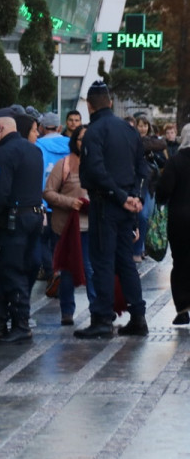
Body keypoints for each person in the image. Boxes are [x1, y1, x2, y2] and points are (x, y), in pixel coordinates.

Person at [74, 81, 149, 339]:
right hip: (126, 205)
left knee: (103, 262)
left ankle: (102, 319)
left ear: (89, 105)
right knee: (125, 261)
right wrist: (134, 196)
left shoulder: (94, 131)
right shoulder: (129, 130)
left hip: (106, 204)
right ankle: (138, 316)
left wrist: (119, 197)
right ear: (110, 102)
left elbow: (95, 171)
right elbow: (143, 168)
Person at [0, 111, 43, 344]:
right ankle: (18, 320)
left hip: (14, 221)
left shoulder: (4, 153)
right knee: (25, 269)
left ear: (0, 128)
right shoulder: (33, 150)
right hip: (34, 216)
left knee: (12, 270)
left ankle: (20, 324)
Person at [44, 125, 94, 326]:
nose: (85, 143)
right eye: (81, 139)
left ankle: (98, 310)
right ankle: (67, 312)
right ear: (75, 141)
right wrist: (69, 202)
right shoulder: (63, 164)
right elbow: (48, 192)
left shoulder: (98, 164)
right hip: (65, 227)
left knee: (91, 269)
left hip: (91, 227)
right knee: (67, 271)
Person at [155, 123, 190, 325]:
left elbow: (163, 190)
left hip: (180, 220)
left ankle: (183, 309)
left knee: (180, 263)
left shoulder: (176, 161)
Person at [36, 112, 71, 286]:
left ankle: (51, 273)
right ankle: (61, 272)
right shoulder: (71, 145)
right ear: (59, 127)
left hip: (43, 200)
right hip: (65, 201)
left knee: (42, 240)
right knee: (60, 241)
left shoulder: (37, 145)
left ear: (41, 128)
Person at [133, 114, 167, 261]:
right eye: (140, 125)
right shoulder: (132, 139)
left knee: (147, 217)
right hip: (137, 184)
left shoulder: (153, 142)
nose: (143, 128)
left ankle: (142, 248)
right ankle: (137, 249)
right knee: (141, 215)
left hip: (151, 185)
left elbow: (163, 158)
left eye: (145, 125)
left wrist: (153, 156)